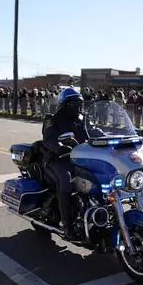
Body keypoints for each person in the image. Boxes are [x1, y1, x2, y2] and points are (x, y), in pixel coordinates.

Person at [42, 87, 88, 240]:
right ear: (64, 105)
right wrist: (59, 148)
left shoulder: (83, 121)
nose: (77, 108)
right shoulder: (52, 120)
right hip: (58, 160)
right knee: (66, 178)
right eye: (73, 104)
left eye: (78, 104)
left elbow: (96, 132)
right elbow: (49, 138)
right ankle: (67, 226)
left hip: (81, 159)